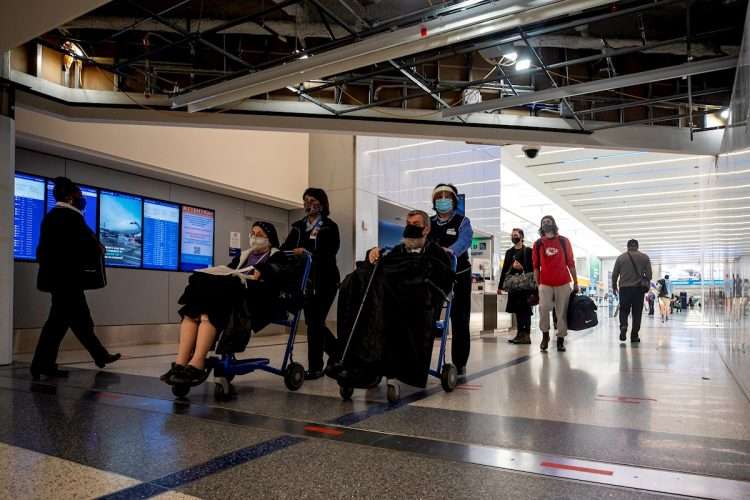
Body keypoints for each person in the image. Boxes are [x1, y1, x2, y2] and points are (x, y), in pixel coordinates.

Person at [162, 221, 296, 386]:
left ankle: (197, 363)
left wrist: (263, 270)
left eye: (259, 234)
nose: (254, 237)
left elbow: (278, 278)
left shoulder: (277, 256)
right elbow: (229, 271)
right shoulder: (243, 255)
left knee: (213, 305)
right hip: (231, 296)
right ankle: (180, 363)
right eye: (252, 233)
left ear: (270, 238)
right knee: (196, 306)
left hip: (255, 299)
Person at [334, 210, 453, 393]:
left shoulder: (436, 253)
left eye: (415, 224)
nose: (410, 227)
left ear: (426, 229)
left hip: (419, 307)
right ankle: (354, 363)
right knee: (354, 282)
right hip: (389, 303)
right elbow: (384, 264)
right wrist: (372, 253)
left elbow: (441, 284)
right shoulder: (399, 250)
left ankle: (373, 367)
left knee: (389, 314)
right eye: (408, 223)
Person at [31, 177, 120, 380]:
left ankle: (46, 364)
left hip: (60, 280)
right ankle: (42, 365)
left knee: (67, 321)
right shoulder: (69, 217)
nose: (82, 198)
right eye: (80, 195)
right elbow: (85, 246)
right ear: (70, 197)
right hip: (67, 281)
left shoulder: (54, 216)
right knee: (70, 321)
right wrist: (98, 248)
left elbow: (44, 251)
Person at [282, 188, 340, 380]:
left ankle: (316, 367)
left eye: (313, 200)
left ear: (322, 203)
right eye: (306, 200)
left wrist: (306, 251)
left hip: (326, 280)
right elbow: (285, 249)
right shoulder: (298, 226)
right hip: (305, 281)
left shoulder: (329, 226)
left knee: (315, 322)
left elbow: (331, 250)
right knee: (313, 322)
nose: (309, 204)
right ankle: (339, 352)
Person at [426, 184, 474, 376]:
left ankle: (460, 361)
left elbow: (465, 240)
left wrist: (450, 251)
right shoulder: (428, 223)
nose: (442, 200)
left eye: (446, 197)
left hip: (459, 274)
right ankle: (421, 357)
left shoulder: (462, 221)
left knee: (460, 319)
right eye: (439, 197)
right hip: (435, 276)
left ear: (453, 201)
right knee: (429, 316)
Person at [532, 215, 578, 352]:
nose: (546, 223)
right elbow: (535, 266)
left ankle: (560, 339)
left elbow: (571, 262)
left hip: (563, 282)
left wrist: (576, 282)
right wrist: (537, 284)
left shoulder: (564, 241)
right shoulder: (538, 243)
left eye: (549, 221)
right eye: (544, 222)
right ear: (541, 226)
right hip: (545, 282)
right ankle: (545, 335)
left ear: (554, 223)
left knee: (561, 312)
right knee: (543, 308)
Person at [611, 239, 652, 343]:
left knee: (624, 310)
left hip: (624, 289)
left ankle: (623, 326)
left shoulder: (621, 258)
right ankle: (634, 336)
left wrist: (614, 286)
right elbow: (649, 275)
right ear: (637, 246)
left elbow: (615, 274)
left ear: (627, 246)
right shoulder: (645, 257)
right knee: (637, 313)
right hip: (638, 289)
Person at [498, 228, 534, 344]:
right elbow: (505, 270)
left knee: (526, 310)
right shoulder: (509, 252)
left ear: (521, 237)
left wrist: (522, 268)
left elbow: (533, 269)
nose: (514, 237)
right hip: (514, 286)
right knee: (517, 311)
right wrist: (500, 286)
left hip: (525, 286)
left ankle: (526, 335)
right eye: (512, 235)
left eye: (516, 235)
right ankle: (519, 334)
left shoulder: (528, 251)